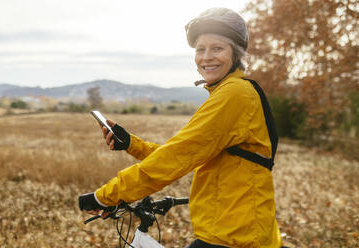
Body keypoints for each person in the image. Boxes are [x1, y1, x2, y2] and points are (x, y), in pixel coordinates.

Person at [79, 7, 282, 248]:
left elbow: (178, 156)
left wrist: (105, 196)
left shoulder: (235, 94)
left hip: (235, 238)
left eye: (217, 48)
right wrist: (132, 144)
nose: (206, 57)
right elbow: (187, 154)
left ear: (236, 54)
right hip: (236, 232)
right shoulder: (231, 92)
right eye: (200, 49)